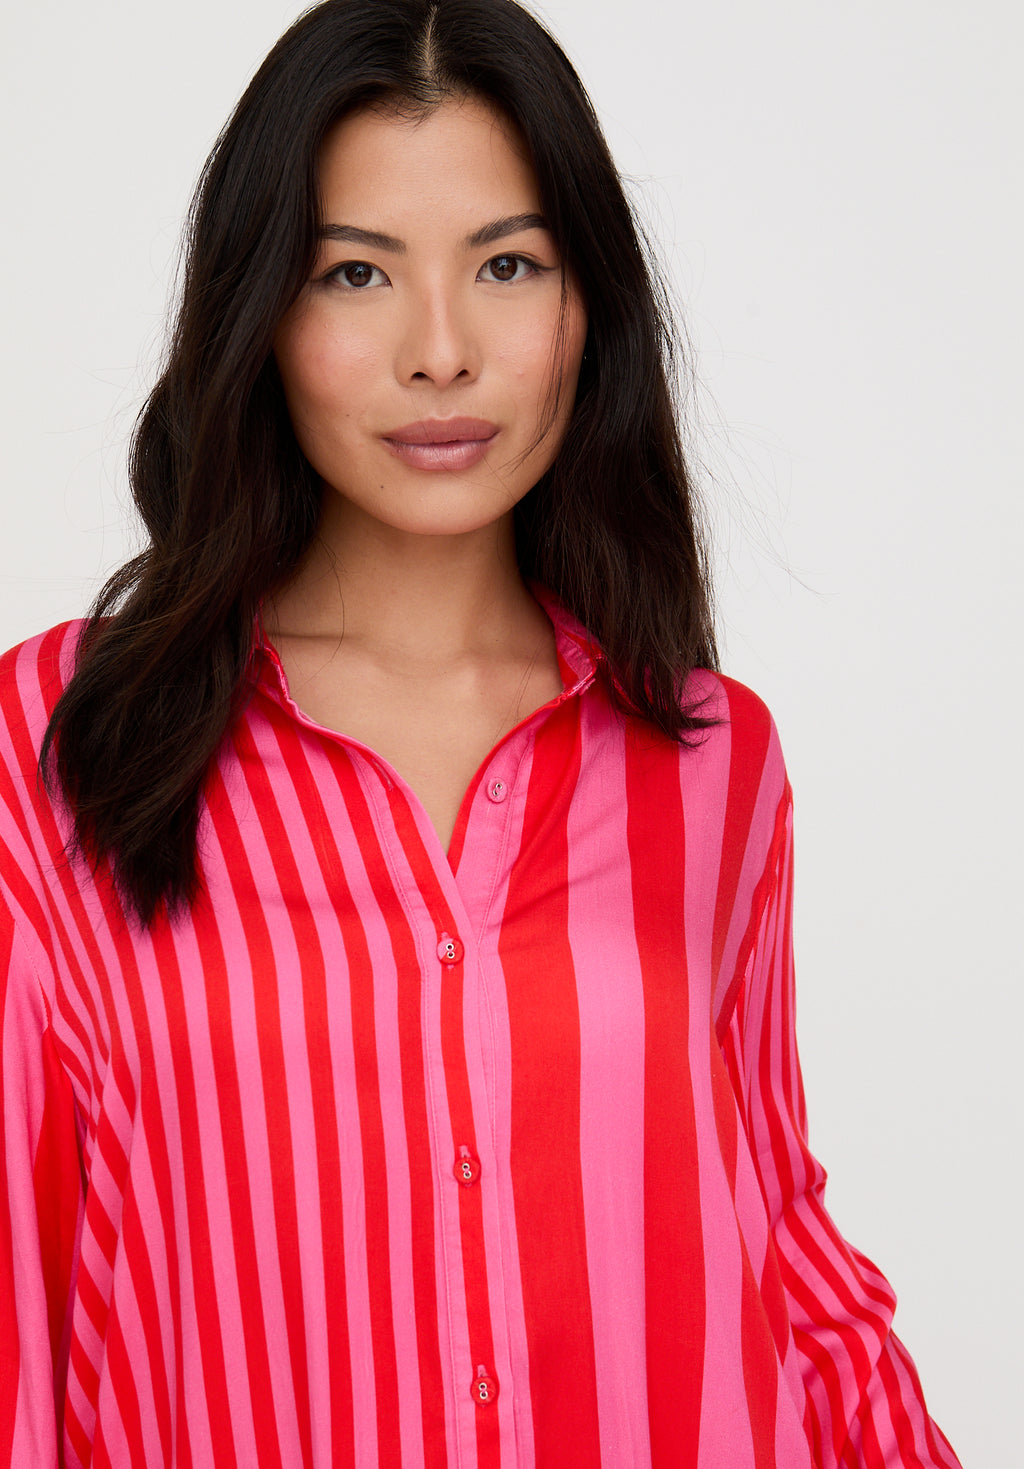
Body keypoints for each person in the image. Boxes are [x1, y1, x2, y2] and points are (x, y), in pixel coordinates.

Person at [0, 0, 962, 1464]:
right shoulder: (59, 740)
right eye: (355, 273)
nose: (439, 352)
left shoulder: (714, 760)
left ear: (589, 305)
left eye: (506, 264)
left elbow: (779, 1239)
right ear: (262, 309)